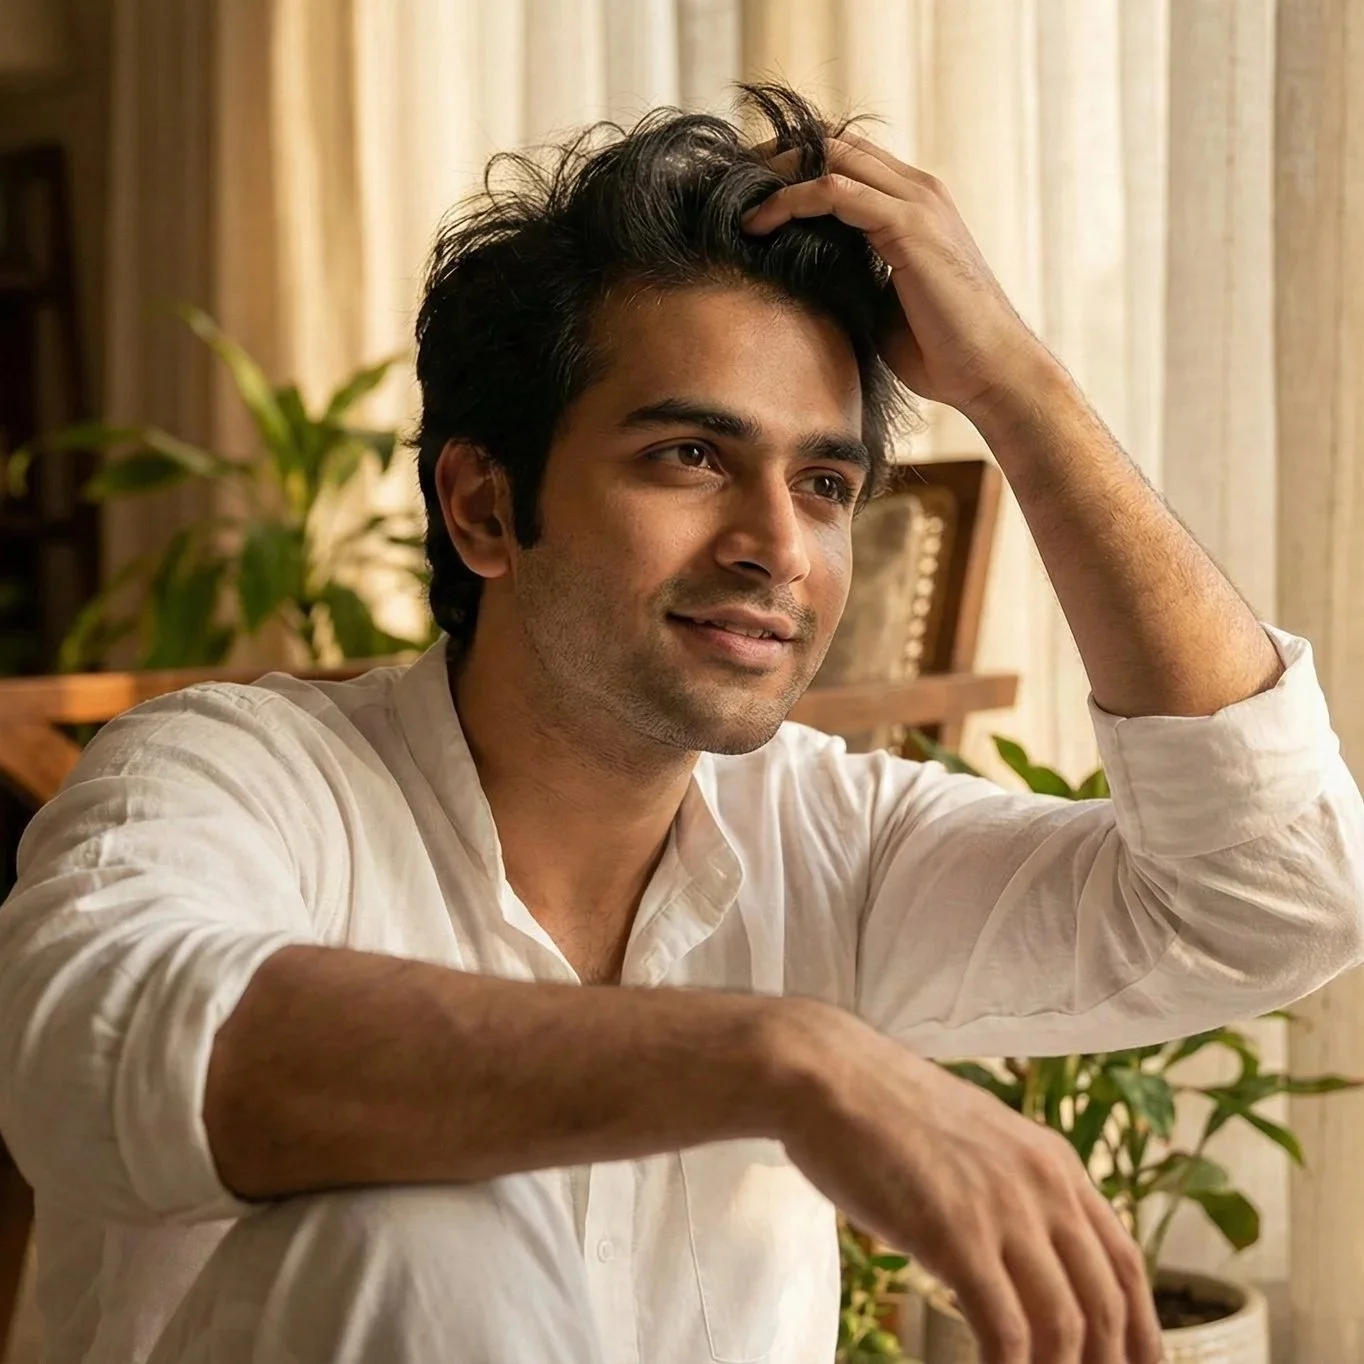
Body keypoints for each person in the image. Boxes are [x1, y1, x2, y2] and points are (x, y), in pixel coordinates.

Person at [1, 84, 1361, 1364]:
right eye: (691, 457)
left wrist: (1014, 385)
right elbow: (96, 1054)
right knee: (416, 1221)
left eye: (824, 481)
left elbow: (1272, 900)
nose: (777, 544)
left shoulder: (838, 838)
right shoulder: (226, 779)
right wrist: (777, 1058)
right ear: (482, 508)